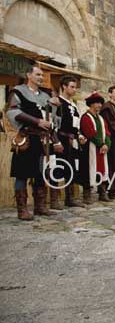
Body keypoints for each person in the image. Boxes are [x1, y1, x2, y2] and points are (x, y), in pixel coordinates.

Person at [8, 65, 64, 219]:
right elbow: (13, 112)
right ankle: (22, 210)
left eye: (42, 75)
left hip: (43, 140)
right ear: (29, 75)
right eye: (38, 74)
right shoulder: (18, 91)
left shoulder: (46, 95)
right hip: (27, 138)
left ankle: (40, 206)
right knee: (22, 173)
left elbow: (53, 121)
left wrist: (56, 107)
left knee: (41, 173)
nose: (41, 77)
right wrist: (37, 121)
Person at [54, 75, 85, 208]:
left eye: (75, 87)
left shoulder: (74, 105)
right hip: (60, 138)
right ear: (64, 87)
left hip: (72, 140)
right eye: (72, 87)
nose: (74, 90)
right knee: (58, 167)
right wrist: (55, 141)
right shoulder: (58, 103)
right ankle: (55, 199)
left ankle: (69, 198)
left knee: (71, 167)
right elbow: (54, 123)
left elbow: (76, 125)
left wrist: (79, 135)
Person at [79, 92, 111, 204]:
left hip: (102, 149)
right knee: (88, 170)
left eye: (100, 103)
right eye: (96, 103)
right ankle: (87, 195)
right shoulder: (86, 117)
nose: (99, 105)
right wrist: (101, 144)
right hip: (90, 149)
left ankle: (102, 192)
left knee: (102, 169)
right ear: (91, 104)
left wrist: (107, 144)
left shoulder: (101, 119)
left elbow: (107, 133)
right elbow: (90, 133)